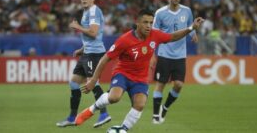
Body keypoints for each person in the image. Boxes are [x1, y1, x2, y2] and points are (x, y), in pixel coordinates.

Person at [74, 9, 204, 131]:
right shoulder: (125, 40)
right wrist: (93, 80)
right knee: (114, 97)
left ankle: (122, 129)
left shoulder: (155, 35)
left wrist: (191, 28)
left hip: (141, 78)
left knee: (140, 105)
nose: (148, 26)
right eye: (145, 22)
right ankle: (90, 110)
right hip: (123, 74)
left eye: (151, 23)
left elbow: (173, 36)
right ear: (137, 23)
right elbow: (105, 59)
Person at [56, 0, 111, 128]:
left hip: (94, 53)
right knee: (74, 83)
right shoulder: (87, 11)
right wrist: (82, 49)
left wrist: (77, 26)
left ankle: (104, 114)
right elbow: (92, 37)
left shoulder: (94, 10)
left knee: (93, 83)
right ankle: (72, 117)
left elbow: (93, 33)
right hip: (87, 52)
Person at [151, 0, 198, 124]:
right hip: (164, 54)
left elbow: (190, 25)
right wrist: (153, 55)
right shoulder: (160, 13)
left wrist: (193, 34)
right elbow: (153, 35)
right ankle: (155, 115)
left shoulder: (187, 11)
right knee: (161, 84)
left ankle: (165, 108)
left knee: (178, 85)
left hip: (180, 55)